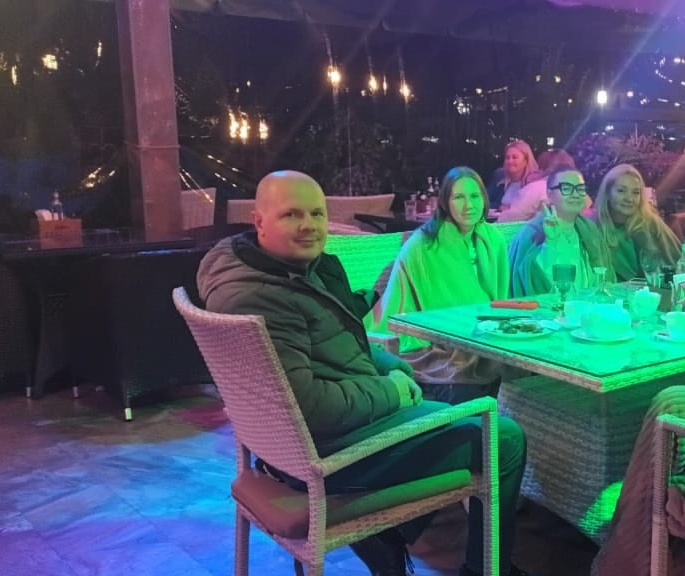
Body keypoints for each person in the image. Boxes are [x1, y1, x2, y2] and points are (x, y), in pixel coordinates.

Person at [196, 170, 531, 576]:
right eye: (291, 215)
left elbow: (344, 342)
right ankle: (480, 568)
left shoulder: (286, 273)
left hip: (317, 436)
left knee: (455, 410)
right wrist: (392, 392)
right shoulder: (261, 297)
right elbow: (310, 407)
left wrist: (392, 366)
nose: (309, 225)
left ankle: (388, 533)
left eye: (317, 213)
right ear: (259, 221)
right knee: (503, 437)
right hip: (331, 454)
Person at [376, 167, 509, 402]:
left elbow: (499, 301)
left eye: (474, 196)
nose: (468, 205)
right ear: (445, 202)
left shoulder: (493, 239)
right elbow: (437, 312)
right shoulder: (424, 245)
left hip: (486, 339)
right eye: (459, 197)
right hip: (431, 346)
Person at [507, 166, 610, 297]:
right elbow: (530, 284)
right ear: (549, 195)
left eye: (580, 189)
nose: (575, 194)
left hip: (588, 305)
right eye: (566, 188)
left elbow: (605, 280)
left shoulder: (589, 230)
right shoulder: (530, 234)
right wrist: (550, 242)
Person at [590, 163, 681, 282]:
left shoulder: (652, 223)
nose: (629, 199)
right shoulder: (592, 227)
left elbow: (679, 266)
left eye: (636, 192)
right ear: (607, 193)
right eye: (621, 191)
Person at [493, 140, 542, 211]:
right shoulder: (500, 178)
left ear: (526, 161)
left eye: (514, 157)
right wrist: (499, 207)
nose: (510, 161)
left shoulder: (533, 184)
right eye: (507, 158)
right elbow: (484, 202)